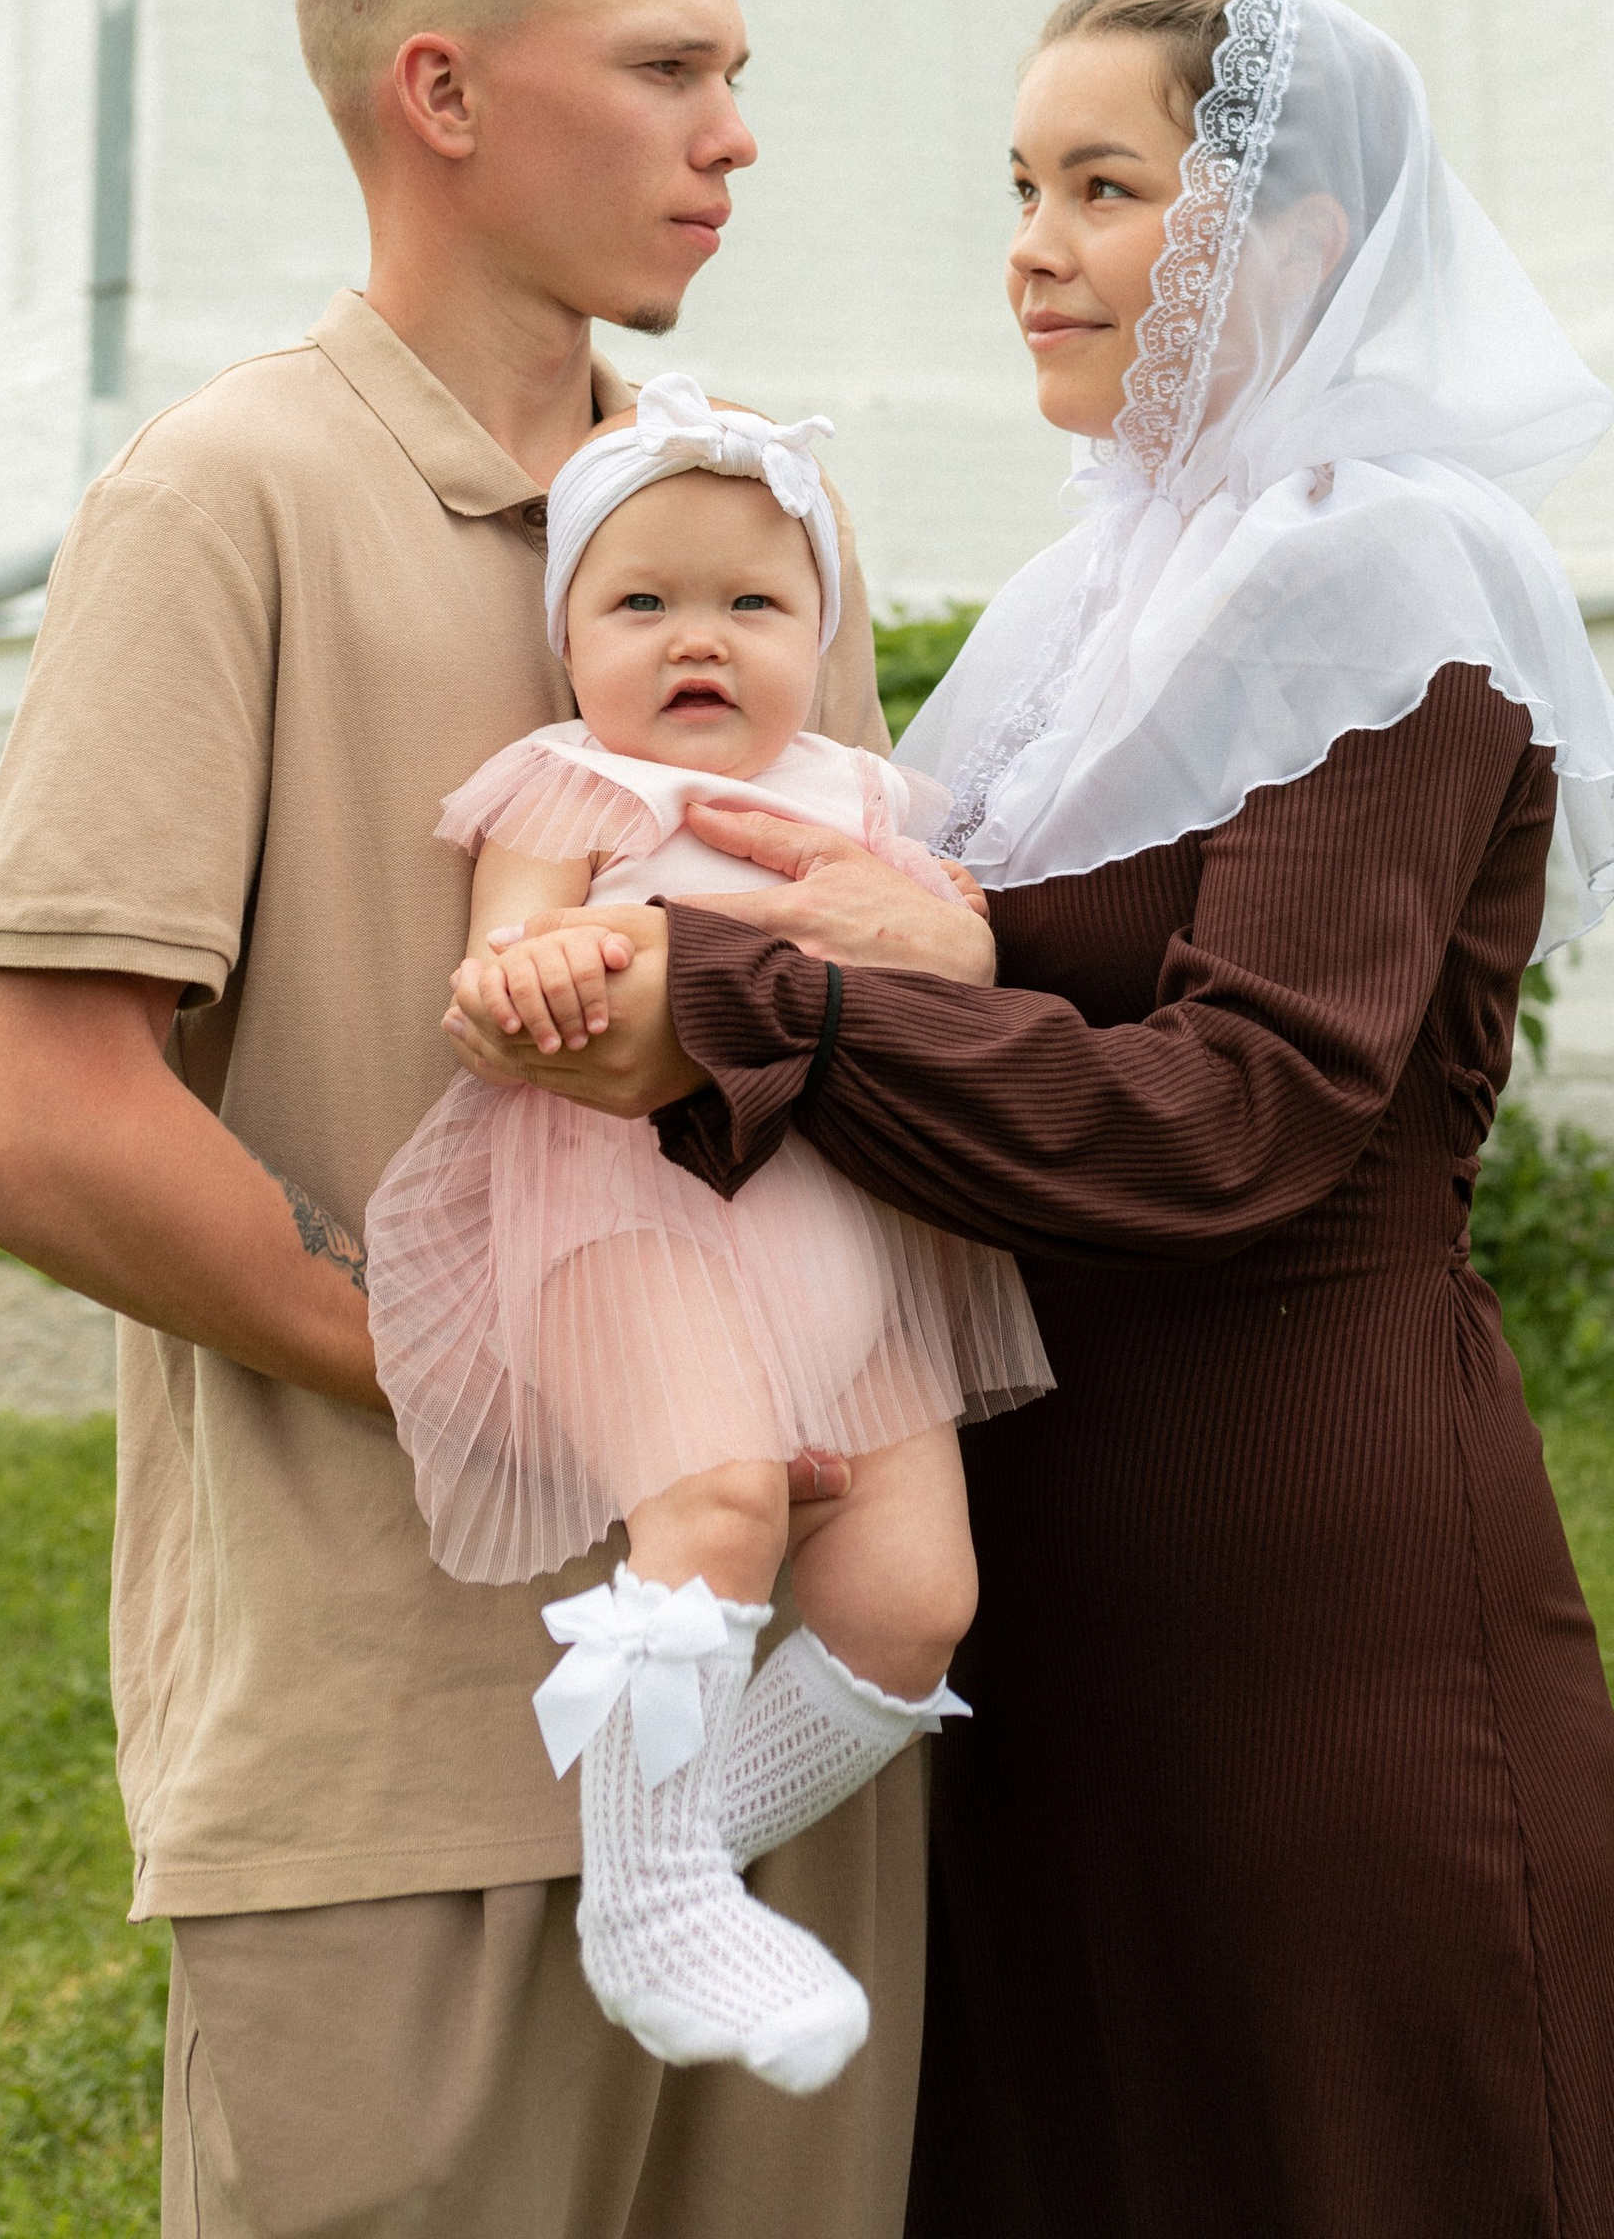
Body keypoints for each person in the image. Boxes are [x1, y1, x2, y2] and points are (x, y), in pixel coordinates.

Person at [452, 0, 1614, 2239]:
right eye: (1018, 184)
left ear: (1283, 244)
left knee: (1356, 2155)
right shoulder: (1089, 596)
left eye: (1101, 188)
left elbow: (1237, 1114)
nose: (1028, 245)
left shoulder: (1380, 573)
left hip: (1298, 1553)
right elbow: (1044, 980)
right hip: (1049, 1549)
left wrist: (756, 1008)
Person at [0, 0, 932, 2239]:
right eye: (669, 67)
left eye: (739, 71)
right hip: (378, 1757)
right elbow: (38, 1128)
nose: (736, 133)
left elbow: (861, 1020)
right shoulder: (223, 498)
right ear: (443, 96)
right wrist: (530, 1388)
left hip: (782, 1751)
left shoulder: (764, 521)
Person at [365, 381, 1048, 2091]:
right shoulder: (568, 782)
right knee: (722, 1503)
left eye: (754, 605)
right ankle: (658, 1895)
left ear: (820, 632)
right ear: (570, 641)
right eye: (641, 602)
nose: (701, 641)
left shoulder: (871, 798)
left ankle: (663, 1860)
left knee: (915, 1599)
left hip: (855, 1241)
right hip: (631, 1213)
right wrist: (527, 967)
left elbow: (942, 971)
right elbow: (503, 957)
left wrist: (948, 937)